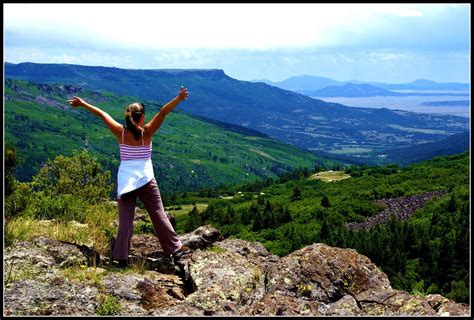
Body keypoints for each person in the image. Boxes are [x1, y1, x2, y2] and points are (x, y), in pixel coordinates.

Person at [66, 86, 192, 266]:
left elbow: (103, 115)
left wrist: (82, 103)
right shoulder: (146, 132)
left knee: (125, 221)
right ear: (142, 117)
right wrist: (178, 99)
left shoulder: (121, 132)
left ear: (128, 116)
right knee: (158, 214)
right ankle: (175, 250)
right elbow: (163, 113)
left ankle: (121, 258)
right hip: (146, 179)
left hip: (125, 181)